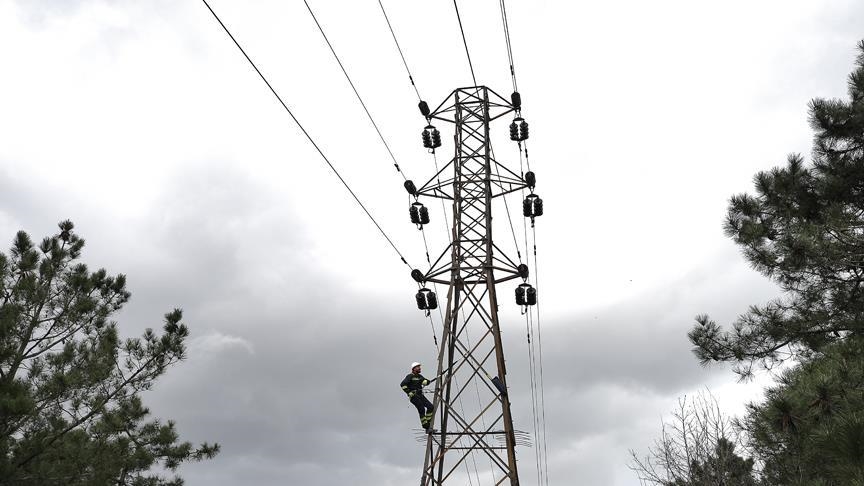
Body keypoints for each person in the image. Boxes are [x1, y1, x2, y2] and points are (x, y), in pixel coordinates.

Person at [400, 362, 435, 430]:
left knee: (430, 407)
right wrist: (408, 392)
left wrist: (426, 382)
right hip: (414, 396)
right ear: (414, 368)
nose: (419, 368)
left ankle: (428, 422)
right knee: (421, 408)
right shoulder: (410, 376)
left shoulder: (419, 376)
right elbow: (402, 384)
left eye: (419, 367)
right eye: (418, 367)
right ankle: (425, 425)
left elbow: (425, 381)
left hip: (420, 395)